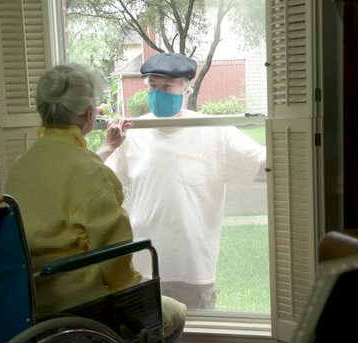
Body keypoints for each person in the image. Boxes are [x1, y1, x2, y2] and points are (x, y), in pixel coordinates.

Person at [5, 63, 186, 343]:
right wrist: (139, 291)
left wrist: (107, 148)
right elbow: (115, 263)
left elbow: (62, 177)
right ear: (90, 114)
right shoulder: (89, 172)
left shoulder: (20, 167)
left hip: (29, 302)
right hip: (80, 305)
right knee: (175, 312)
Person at [104, 53, 267, 309]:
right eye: (153, 86)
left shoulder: (213, 130)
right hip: (144, 263)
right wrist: (107, 146)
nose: (158, 93)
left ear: (187, 89)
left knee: (197, 339)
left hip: (192, 266)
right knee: (147, 341)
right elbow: (100, 179)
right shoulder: (134, 132)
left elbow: (260, 161)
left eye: (167, 86)